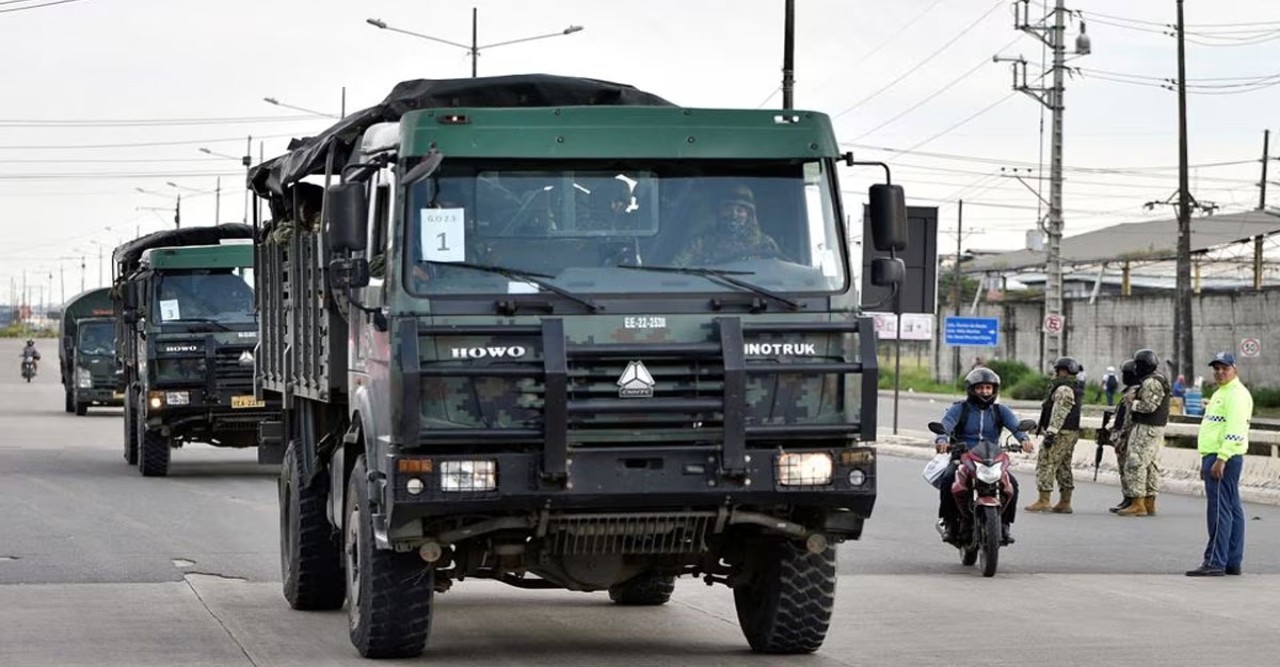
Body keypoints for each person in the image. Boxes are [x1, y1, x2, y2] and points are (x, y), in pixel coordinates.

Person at [933, 367, 1033, 544]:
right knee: (949, 479)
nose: (985, 392)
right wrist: (942, 439)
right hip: (963, 456)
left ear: (994, 390)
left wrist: (1024, 439)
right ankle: (949, 523)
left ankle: (1004, 525)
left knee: (1012, 485)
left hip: (991, 458)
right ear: (971, 389)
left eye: (988, 388)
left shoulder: (1000, 410)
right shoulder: (960, 409)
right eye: (980, 388)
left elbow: (1016, 427)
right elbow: (946, 424)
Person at [1186, 352, 1253, 576]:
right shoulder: (1221, 393)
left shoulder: (1236, 395)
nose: (1220, 372)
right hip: (1215, 454)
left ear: (1235, 369)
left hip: (1223, 457)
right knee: (1232, 508)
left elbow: (1235, 430)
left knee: (1219, 510)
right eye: (1216, 368)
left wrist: (1221, 458)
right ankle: (1231, 561)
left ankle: (1215, 561)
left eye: (1225, 368)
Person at [1115, 348, 1171, 517]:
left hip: (1147, 427)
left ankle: (1138, 503)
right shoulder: (1154, 379)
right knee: (1149, 465)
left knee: (1136, 462)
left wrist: (1132, 402)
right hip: (1150, 427)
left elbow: (1148, 406)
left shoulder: (1151, 382)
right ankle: (1148, 502)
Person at [670, 183, 781, 266]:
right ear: (718, 212)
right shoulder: (701, 242)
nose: (734, 214)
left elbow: (777, 273)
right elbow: (676, 269)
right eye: (728, 208)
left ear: (749, 214)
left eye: (740, 210)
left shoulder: (764, 243)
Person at [1026, 357, 1083, 514]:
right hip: (1070, 432)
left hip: (1060, 432)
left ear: (1063, 371)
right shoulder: (1074, 386)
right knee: (1064, 465)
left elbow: (1060, 412)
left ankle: (1044, 500)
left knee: (1046, 462)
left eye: (1057, 370)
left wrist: (1051, 432)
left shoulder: (1063, 389)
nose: (1056, 373)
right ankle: (1065, 502)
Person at [1108, 360, 1140, 513]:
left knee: (1128, 469)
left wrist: (1121, 437)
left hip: (1128, 436)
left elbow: (1128, 418)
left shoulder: (1133, 393)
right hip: (1123, 433)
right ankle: (1127, 498)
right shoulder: (1129, 392)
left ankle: (1131, 500)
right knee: (1123, 468)